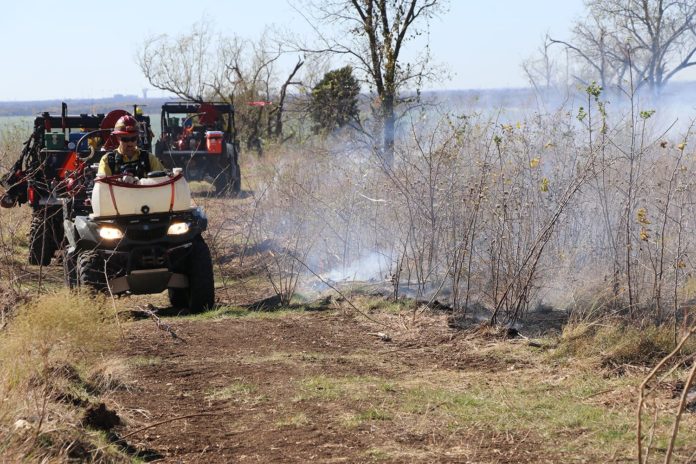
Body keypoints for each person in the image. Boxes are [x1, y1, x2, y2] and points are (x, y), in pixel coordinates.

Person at [97, 115, 164, 178]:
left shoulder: (149, 159)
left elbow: (163, 179)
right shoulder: (108, 161)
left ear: (137, 137)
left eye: (133, 139)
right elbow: (104, 185)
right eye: (125, 139)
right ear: (117, 138)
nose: (130, 143)